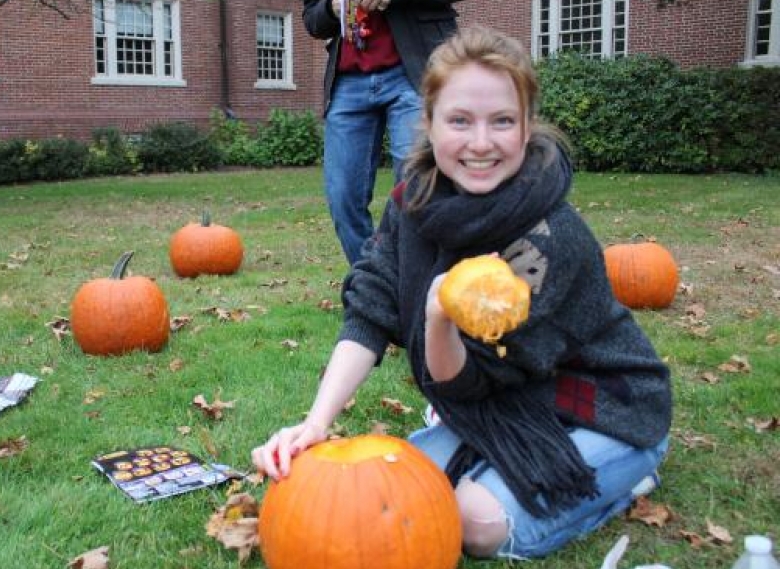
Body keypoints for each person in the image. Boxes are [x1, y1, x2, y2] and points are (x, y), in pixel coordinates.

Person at [252, 27, 672, 560]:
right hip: (506, 400)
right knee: (394, 488)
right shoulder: (414, 202)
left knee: (473, 524)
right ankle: (492, 462)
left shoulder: (547, 238)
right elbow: (369, 309)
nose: (480, 143)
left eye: (502, 121)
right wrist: (316, 422)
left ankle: (633, 471)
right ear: (427, 123)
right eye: (459, 120)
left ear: (526, 128)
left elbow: (470, 383)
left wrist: (438, 319)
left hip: (602, 405)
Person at [304, 0, 462, 265]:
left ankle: (414, 281)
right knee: (342, 197)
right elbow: (312, 19)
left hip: (414, 70)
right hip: (348, 80)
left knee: (417, 187)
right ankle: (372, 283)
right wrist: (335, 7)